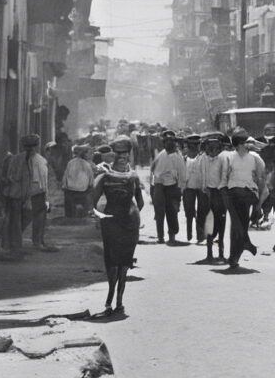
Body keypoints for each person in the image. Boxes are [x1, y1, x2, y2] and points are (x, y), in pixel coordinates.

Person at [90, 146, 144, 317]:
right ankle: (118, 301)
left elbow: (92, 201)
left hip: (112, 221)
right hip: (129, 220)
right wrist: (132, 213)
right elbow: (140, 202)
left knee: (112, 261)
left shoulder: (104, 176)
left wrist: (99, 217)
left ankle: (110, 300)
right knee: (124, 263)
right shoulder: (133, 176)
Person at [0, 133, 54, 259]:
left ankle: (12, 245)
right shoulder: (40, 160)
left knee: (16, 221)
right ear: (38, 146)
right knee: (33, 218)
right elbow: (42, 183)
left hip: (16, 194)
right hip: (33, 194)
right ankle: (32, 243)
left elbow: (10, 176)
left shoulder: (15, 159)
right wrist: (45, 198)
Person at [218, 128, 265, 269]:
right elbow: (224, 177)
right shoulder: (229, 157)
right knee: (238, 224)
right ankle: (237, 253)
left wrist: (260, 202)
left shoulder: (255, 157)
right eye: (245, 143)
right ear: (239, 144)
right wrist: (224, 193)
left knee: (239, 224)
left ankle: (239, 251)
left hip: (248, 193)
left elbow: (261, 177)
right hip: (233, 193)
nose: (248, 145)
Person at [149, 131, 187, 244]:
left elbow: (182, 175)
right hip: (159, 185)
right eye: (166, 141)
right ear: (163, 143)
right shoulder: (160, 155)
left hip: (172, 186)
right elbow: (152, 171)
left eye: (171, 141)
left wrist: (180, 190)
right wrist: (153, 188)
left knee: (172, 212)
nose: (169, 143)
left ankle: (172, 236)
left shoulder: (178, 157)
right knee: (159, 213)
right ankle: (160, 237)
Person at [201, 133, 228, 262]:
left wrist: (221, 190)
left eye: (215, 148)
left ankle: (221, 253)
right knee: (209, 223)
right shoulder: (204, 159)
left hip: (220, 193)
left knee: (221, 222)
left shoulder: (222, 159)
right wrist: (205, 189)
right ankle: (209, 253)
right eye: (210, 148)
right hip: (208, 193)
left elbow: (224, 176)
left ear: (219, 148)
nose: (212, 151)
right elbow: (203, 175)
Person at [182, 134, 206, 242]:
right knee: (189, 211)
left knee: (201, 211)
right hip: (188, 188)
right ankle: (189, 234)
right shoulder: (184, 158)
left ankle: (200, 235)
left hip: (201, 187)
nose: (195, 147)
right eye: (192, 145)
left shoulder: (203, 157)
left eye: (197, 145)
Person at [63, 144, 95, 219]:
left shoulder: (70, 163)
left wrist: (64, 186)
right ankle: (87, 212)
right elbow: (91, 179)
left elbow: (65, 176)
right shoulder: (87, 164)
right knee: (91, 191)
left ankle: (70, 215)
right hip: (83, 191)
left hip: (71, 190)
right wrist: (91, 185)